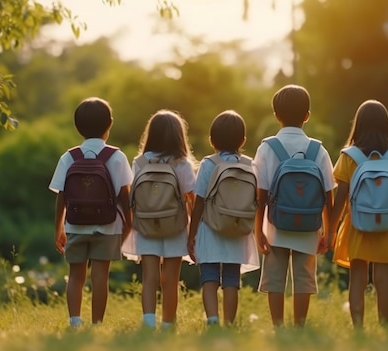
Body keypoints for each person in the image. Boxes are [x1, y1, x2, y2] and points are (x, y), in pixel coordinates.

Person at [253, 84, 335, 327]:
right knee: (303, 278)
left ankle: (278, 326)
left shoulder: (267, 147)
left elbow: (261, 193)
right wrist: (328, 231)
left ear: (276, 116)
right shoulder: (318, 150)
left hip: (276, 225)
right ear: (307, 115)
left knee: (275, 279)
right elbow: (328, 195)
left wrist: (258, 229)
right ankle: (299, 326)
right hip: (309, 225)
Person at [49, 97, 133, 328]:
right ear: (110, 124)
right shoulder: (117, 157)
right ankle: (97, 324)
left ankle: (75, 321)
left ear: (77, 127)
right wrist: (128, 223)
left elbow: (61, 195)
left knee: (76, 275)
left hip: (75, 225)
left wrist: (58, 228)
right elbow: (124, 195)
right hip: (107, 227)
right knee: (100, 277)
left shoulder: (69, 157)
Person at [329, 99, 388, 330]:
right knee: (383, 279)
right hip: (387, 227)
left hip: (358, 225)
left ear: (358, 126)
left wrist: (331, 228)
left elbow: (341, 198)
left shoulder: (349, 156)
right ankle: (385, 325)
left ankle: (358, 328)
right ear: (386, 126)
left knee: (358, 278)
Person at [122, 109, 196, 330]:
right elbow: (191, 198)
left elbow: (132, 196)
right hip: (174, 226)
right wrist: (193, 231)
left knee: (149, 277)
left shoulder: (139, 162)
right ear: (178, 135)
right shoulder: (182, 164)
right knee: (170, 279)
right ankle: (168, 324)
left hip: (145, 225)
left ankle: (148, 322)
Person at [187, 110, 260, 327]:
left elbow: (199, 201)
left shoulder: (209, 164)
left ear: (212, 140)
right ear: (243, 140)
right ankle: (229, 323)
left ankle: (212, 320)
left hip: (211, 227)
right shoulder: (250, 164)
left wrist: (192, 235)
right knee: (231, 279)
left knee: (209, 277)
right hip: (238, 229)